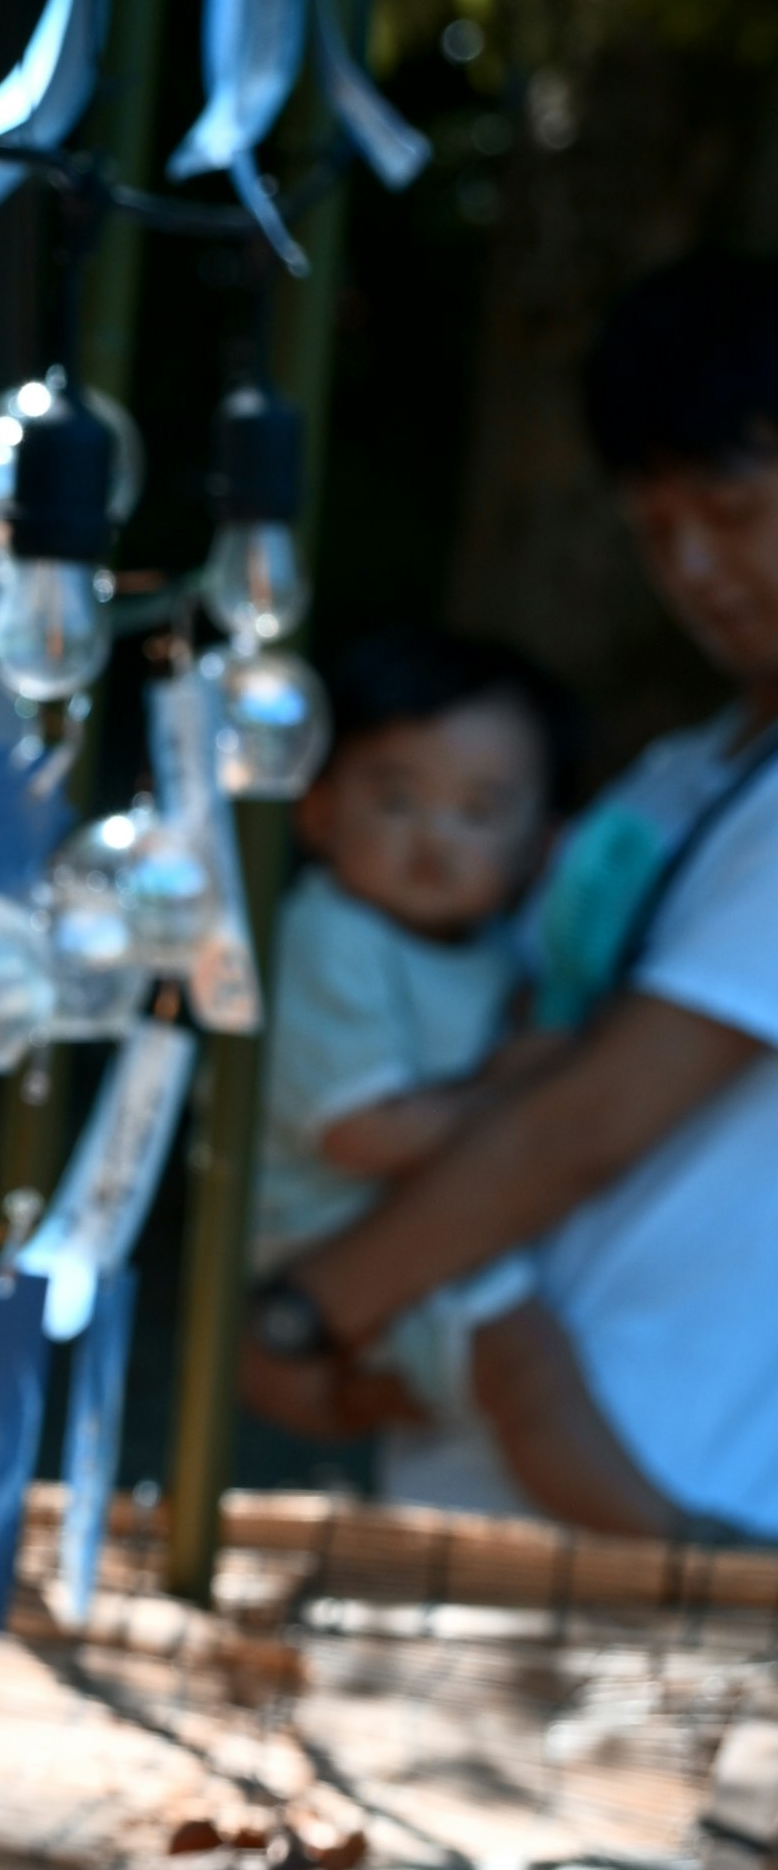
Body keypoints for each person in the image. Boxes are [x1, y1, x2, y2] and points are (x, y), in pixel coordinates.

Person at [256, 250, 778, 1537]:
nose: (698, 567)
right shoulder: (676, 776)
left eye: (732, 509)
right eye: (657, 528)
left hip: (675, 1485)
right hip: (466, 1464)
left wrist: (302, 1310)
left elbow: (583, 1124)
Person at [245, 626, 572, 1512]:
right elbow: (363, 1133)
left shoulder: (493, 948)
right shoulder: (329, 936)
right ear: (316, 810)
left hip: (419, 1227)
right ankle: (671, 1546)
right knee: (529, 1374)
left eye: (479, 812)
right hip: (328, 1241)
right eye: (396, 803)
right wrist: (522, 1083)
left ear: (540, 844)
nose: (435, 841)